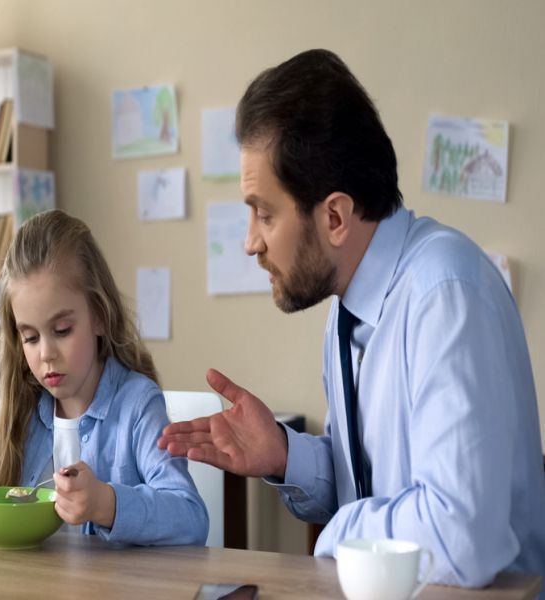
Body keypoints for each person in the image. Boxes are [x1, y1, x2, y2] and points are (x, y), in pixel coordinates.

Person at [158, 49, 545, 589]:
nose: (250, 242)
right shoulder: (349, 309)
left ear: (335, 216)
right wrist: (284, 455)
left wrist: (338, 531)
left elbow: (462, 537)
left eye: (264, 213)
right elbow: (367, 481)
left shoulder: (445, 293)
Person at [0, 209, 208, 546]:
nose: (45, 353)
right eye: (31, 338)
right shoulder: (21, 409)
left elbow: (190, 517)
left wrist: (105, 503)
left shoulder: (137, 405)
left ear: (100, 317)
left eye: (62, 330)